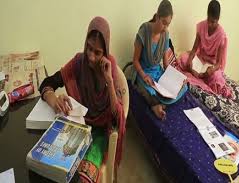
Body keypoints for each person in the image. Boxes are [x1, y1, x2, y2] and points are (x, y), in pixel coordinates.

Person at [39, 16, 125, 182]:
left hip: (99, 131)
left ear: (105, 51)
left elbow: (115, 115)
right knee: (53, 164)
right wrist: (54, 100)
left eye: (98, 52)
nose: (91, 56)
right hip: (78, 124)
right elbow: (47, 83)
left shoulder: (110, 66)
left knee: (82, 177)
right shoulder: (79, 62)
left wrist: (109, 81)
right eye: (89, 48)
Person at [172, 0, 231, 97]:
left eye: (213, 22)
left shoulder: (221, 35)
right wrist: (191, 59)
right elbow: (194, 48)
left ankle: (202, 76)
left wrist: (211, 69)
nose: (210, 24)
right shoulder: (201, 26)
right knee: (183, 58)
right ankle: (197, 74)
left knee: (217, 78)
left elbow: (219, 63)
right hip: (200, 59)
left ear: (218, 19)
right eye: (209, 20)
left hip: (210, 64)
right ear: (207, 15)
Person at [133, 0, 173, 120]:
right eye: (163, 23)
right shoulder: (144, 31)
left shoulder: (165, 35)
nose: (165, 27)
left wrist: (177, 78)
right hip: (143, 72)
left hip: (157, 72)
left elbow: (165, 63)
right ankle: (157, 107)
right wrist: (144, 76)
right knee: (149, 91)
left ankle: (160, 103)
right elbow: (135, 60)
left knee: (180, 88)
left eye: (168, 24)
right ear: (157, 17)